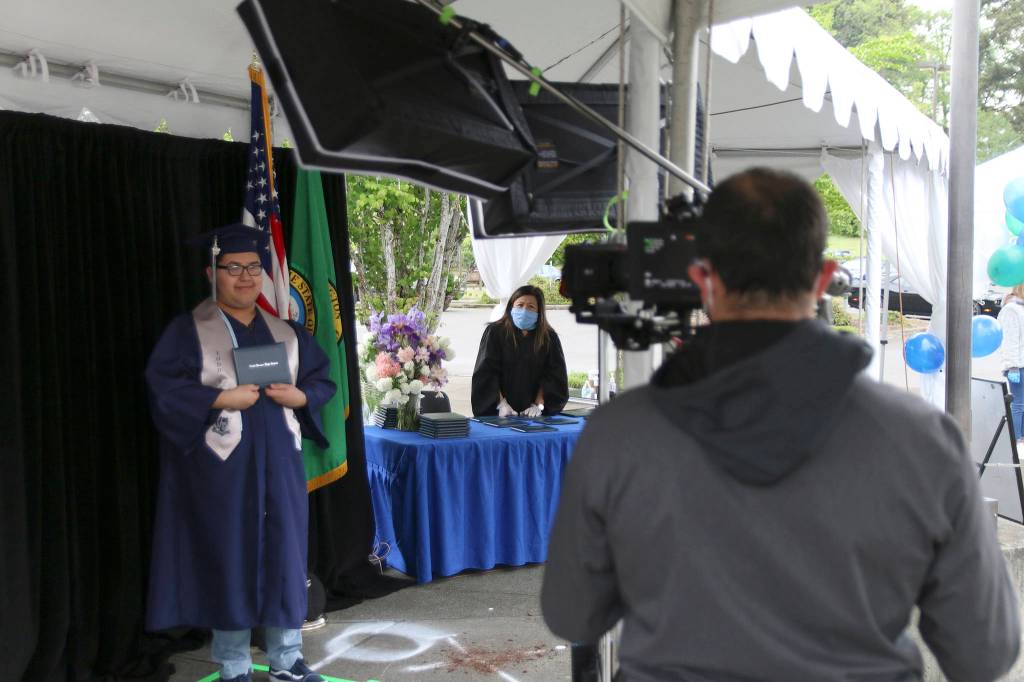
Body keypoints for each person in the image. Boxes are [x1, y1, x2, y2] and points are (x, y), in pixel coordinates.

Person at [541, 168, 1019, 682]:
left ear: (703, 278)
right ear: (823, 277)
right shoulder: (923, 437)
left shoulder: (619, 432)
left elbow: (572, 613)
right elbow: (984, 652)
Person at [145, 223, 336, 682]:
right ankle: (233, 666)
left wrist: (302, 397)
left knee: (285, 558)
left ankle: (287, 659)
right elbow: (162, 386)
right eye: (234, 268)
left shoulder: (286, 332)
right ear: (211, 272)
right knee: (228, 560)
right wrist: (218, 398)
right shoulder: (189, 331)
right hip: (222, 472)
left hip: (281, 469)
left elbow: (322, 379)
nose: (246, 277)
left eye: (253, 267)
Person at [471, 284, 569, 417]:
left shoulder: (548, 337)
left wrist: (539, 404)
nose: (524, 310)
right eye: (520, 305)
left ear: (539, 312)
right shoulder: (495, 332)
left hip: (533, 414)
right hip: (499, 412)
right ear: (511, 307)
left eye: (531, 307)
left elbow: (554, 375)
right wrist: (500, 404)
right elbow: (486, 373)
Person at [998, 283, 1024, 444]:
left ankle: (1021, 437)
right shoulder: (1011, 310)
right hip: (1018, 365)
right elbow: (1009, 340)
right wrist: (1012, 365)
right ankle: (1015, 440)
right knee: (1018, 405)